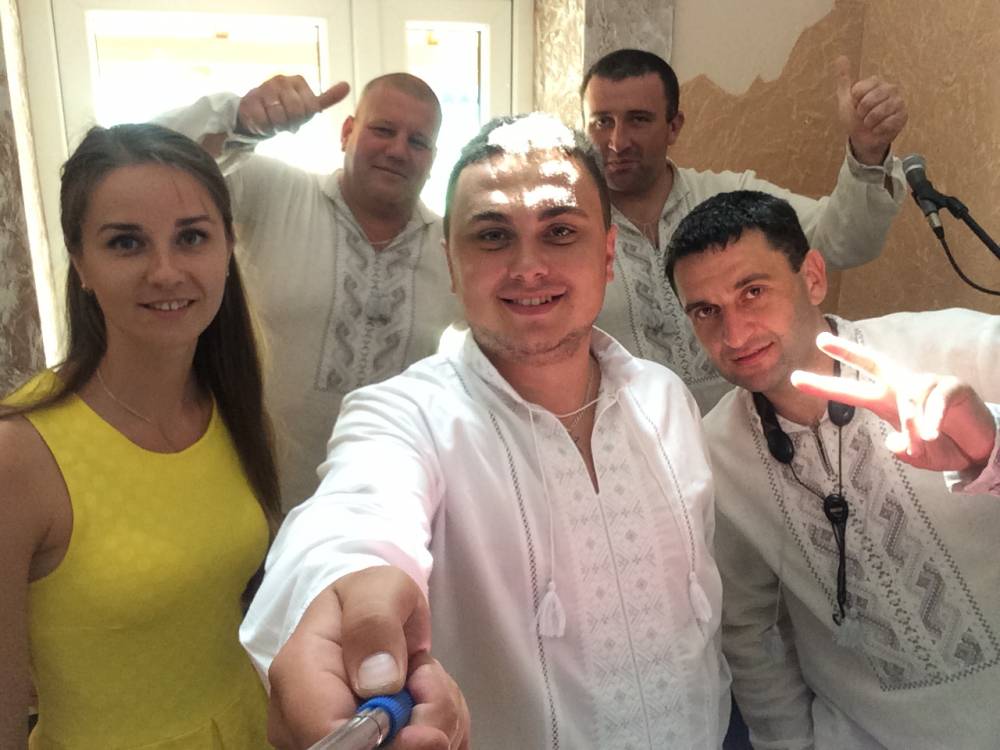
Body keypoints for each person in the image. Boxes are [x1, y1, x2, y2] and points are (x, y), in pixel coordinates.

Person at [242, 113, 729, 749]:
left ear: (608, 253)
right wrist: (345, 598)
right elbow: (354, 519)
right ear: (451, 262)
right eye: (493, 236)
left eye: (560, 232)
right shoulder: (405, 416)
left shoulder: (666, 400)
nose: (528, 267)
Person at [665, 190, 1000, 749]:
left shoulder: (962, 347)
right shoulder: (710, 454)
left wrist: (990, 445)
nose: (735, 334)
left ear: (813, 277)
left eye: (753, 291)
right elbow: (750, 633)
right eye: (706, 311)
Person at [0, 123, 281, 747]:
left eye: (192, 237)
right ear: (81, 263)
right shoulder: (20, 454)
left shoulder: (228, 401)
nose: (166, 271)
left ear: (227, 247)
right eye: (127, 243)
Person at [156, 72, 460, 508]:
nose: (397, 150)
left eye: (418, 141)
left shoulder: (453, 250)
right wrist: (238, 119)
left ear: (432, 159)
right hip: (247, 506)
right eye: (382, 130)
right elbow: (148, 163)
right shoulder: (274, 192)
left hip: (382, 515)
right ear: (347, 132)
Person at [582, 48, 909, 412]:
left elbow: (845, 242)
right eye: (601, 122)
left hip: (753, 432)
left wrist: (867, 154)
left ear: (674, 126)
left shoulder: (729, 199)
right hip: (635, 439)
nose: (617, 141)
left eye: (638, 120)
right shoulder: (568, 234)